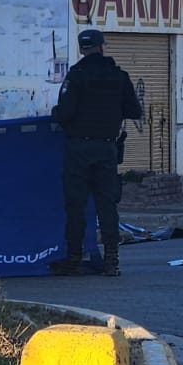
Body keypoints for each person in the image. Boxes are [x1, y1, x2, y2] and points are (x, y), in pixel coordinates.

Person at [49, 27, 143, 278]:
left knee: (76, 205)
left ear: (82, 49)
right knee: (107, 205)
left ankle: (74, 258)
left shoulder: (76, 76)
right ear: (102, 46)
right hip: (106, 148)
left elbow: (65, 113)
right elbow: (135, 111)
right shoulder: (118, 76)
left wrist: (56, 114)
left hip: (78, 148)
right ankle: (112, 260)